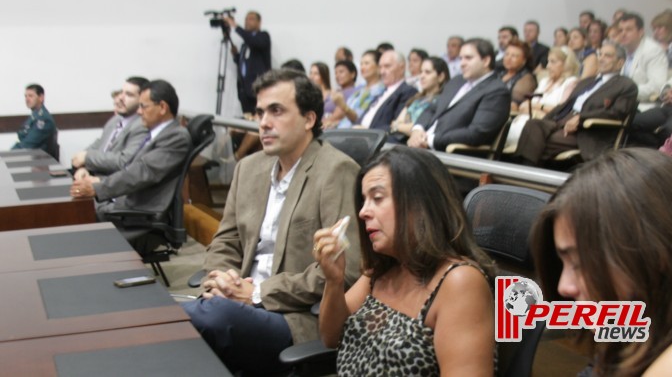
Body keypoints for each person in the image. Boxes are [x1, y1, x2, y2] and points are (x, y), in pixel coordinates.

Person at [182, 69, 361, 375]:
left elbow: (346, 270)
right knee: (181, 324)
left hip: (293, 316)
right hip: (233, 302)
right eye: (261, 111)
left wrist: (255, 293)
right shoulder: (249, 168)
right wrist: (223, 278)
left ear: (309, 119)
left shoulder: (336, 171)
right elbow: (226, 240)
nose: (263, 122)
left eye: (277, 111)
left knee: (197, 319)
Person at [313, 146, 495, 376]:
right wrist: (334, 280)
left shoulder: (460, 282)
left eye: (377, 198)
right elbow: (331, 337)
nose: (362, 212)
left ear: (421, 204)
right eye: (364, 200)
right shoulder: (382, 269)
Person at [530, 148, 672, 376]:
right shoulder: (629, 336)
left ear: (655, 253)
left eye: (582, 264)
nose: (564, 286)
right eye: (564, 263)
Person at [70, 80, 192, 218]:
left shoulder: (176, 137)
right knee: (71, 203)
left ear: (162, 107)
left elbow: (142, 172)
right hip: (122, 201)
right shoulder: (156, 133)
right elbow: (130, 168)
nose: (139, 112)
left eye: (143, 106)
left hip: (137, 212)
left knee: (71, 213)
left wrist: (98, 187)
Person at [514, 42, 638, 165]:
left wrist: (581, 118)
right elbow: (565, 104)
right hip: (562, 119)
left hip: (585, 130)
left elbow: (616, 113)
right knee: (532, 125)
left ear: (620, 63)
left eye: (608, 56)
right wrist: (547, 118)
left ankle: (525, 174)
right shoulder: (587, 81)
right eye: (600, 54)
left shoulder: (626, 85)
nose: (601, 59)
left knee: (540, 140)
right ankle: (525, 172)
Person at [408, 38, 511, 151]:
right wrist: (417, 130)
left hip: (445, 151)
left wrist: (431, 140)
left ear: (486, 60)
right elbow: (432, 109)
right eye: (460, 58)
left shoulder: (496, 91)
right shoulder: (457, 81)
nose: (462, 64)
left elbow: (477, 133)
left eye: (468, 58)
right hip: (422, 145)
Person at [71, 76, 149, 179]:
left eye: (129, 95)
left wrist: (87, 158)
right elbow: (98, 145)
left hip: (112, 187)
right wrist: (83, 167)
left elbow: (124, 161)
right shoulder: (115, 120)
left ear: (142, 100)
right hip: (93, 178)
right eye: (122, 92)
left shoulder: (142, 125)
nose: (121, 97)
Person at [505, 47, 579, 150]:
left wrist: (536, 106)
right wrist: (536, 108)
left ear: (566, 64)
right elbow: (524, 105)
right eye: (548, 62)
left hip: (543, 126)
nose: (548, 66)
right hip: (525, 119)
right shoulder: (544, 82)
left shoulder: (571, 82)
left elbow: (561, 110)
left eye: (553, 62)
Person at [389, 56, 450, 142]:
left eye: (427, 72)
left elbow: (421, 128)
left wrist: (399, 127)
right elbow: (395, 123)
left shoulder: (442, 101)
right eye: (421, 72)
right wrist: (402, 127)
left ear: (441, 77)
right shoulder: (415, 98)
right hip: (398, 138)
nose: (422, 76)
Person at [225, 11, 272, 115]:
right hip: (244, 91)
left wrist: (235, 26)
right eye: (246, 19)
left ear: (259, 22)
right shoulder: (245, 44)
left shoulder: (263, 37)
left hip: (258, 91)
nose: (247, 21)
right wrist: (236, 56)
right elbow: (245, 65)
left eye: (251, 19)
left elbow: (254, 42)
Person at [618, 12, 669, 107]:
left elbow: (657, 87)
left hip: (644, 107)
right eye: (620, 30)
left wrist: (623, 92)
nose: (623, 34)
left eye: (628, 30)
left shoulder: (653, 51)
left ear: (641, 32)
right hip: (623, 105)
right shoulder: (623, 50)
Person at [358, 50, 418, 131]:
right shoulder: (381, 93)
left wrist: (367, 131)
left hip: (378, 138)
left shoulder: (408, 92)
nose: (382, 72)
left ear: (401, 68)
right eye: (380, 67)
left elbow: (394, 125)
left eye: (387, 66)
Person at [631, 66, 672, 148]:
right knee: (632, 122)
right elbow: (669, 83)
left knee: (668, 132)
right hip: (669, 106)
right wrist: (667, 92)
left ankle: (659, 152)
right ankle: (654, 147)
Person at [334, 50, 385, 129]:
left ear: (379, 67)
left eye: (366, 63)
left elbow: (360, 119)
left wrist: (342, 105)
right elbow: (347, 118)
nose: (362, 67)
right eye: (361, 64)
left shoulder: (380, 91)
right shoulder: (359, 90)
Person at [11, 84, 57, 156]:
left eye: (30, 96)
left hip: (40, 163)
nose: (27, 99)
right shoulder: (34, 117)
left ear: (41, 97)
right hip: (29, 159)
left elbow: (27, 145)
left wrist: (7, 156)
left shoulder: (44, 119)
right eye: (25, 96)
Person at [494, 38, 537, 111]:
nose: (508, 58)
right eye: (507, 54)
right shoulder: (501, 73)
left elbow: (514, 105)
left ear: (524, 61)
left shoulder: (527, 78)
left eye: (514, 56)